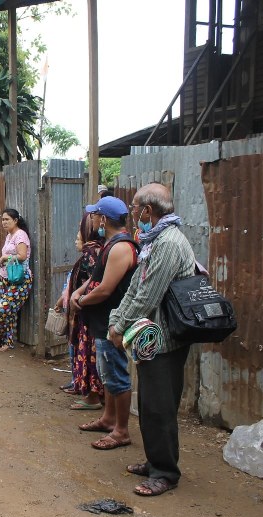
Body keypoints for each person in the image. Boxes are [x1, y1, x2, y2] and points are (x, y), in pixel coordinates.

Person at [107, 183, 196, 497]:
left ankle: (165, 473)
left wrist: (119, 325)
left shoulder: (168, 242)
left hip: (166, 340)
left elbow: (147, 296)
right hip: (151, 338)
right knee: (148, 404)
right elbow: (136, 287)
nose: (132, 212)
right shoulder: (154, 240)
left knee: (159, 407)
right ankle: (155, 460)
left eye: (135, 207)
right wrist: (117, 319)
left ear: (147, 210)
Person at [71, 197, 138, 450]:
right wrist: (79, 291)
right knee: (108, 373)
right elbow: (96, 278)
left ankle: (121, 431)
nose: (92, 219)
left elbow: (106, 289)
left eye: (95, 215)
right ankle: (109, 419)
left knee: (116, 375)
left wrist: (81, 301)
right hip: (102, 321)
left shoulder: (121, 248)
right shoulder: (109, 245)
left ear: (104, 219)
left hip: (114, 322)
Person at [56, 214, 104, 408]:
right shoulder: (97, 250)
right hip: (89, 311)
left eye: (79, 233)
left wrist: (79, 299)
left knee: (89, 352)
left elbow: (93, 283)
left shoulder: (91, 254)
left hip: (88, 312)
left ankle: (93, 396)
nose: (76, 238)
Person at [0, 209, 33, 352]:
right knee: (8, 311)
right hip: (6, 277)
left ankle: (3, 339)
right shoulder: (9, 236)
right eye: (2, 219)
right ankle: (7, 342)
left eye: (7, 219)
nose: (4, 222)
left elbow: (22, 256)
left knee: (4, 307)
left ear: (15, 220)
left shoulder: (20, 235)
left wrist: (5, 257)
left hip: (20, 279)